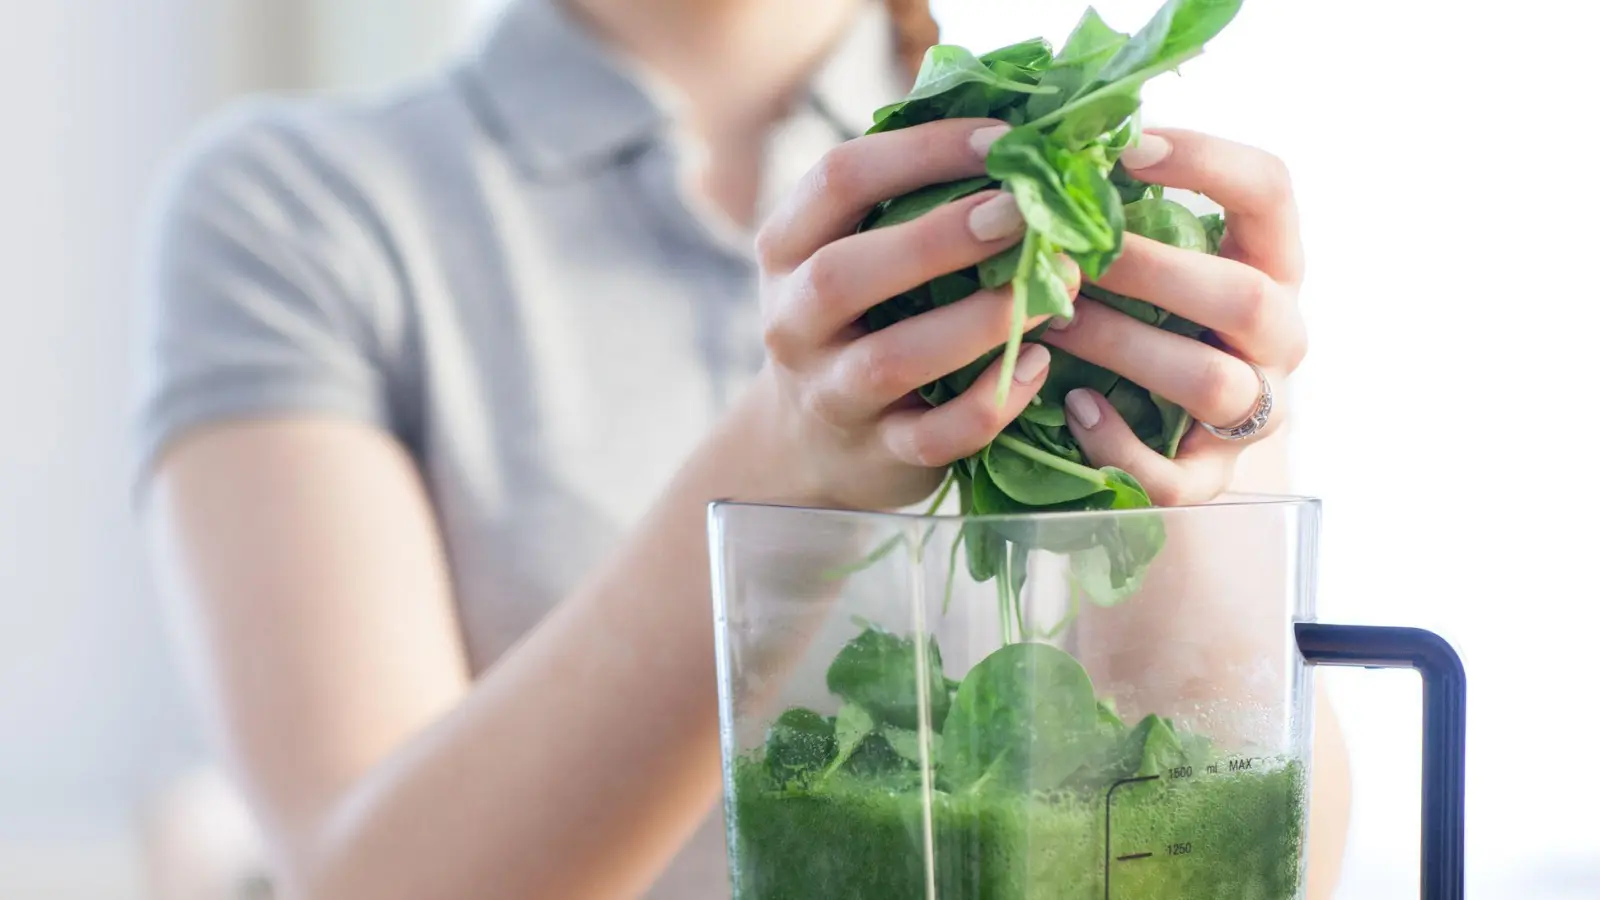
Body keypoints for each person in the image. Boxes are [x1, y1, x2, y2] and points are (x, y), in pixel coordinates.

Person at [132, 0, 1350, 898]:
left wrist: (1196, 463)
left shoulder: (1083, 178)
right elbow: (374, 882)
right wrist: (789, 453)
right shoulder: (297, 208)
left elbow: (1259, 860)